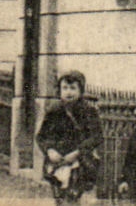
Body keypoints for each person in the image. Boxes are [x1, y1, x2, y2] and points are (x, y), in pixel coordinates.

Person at [37, 70, 102, 202]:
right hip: (58, 162)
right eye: (65, 88)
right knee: (59, 198)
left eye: (73, 88)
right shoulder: (54, 111)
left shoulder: (89, 111)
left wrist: (78, 152)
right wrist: (50, 150)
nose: (68, 92)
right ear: (59, 90)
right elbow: (41, 136)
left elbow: (96, 136)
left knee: (75, 198)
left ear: (81, 91)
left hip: (80, 162)